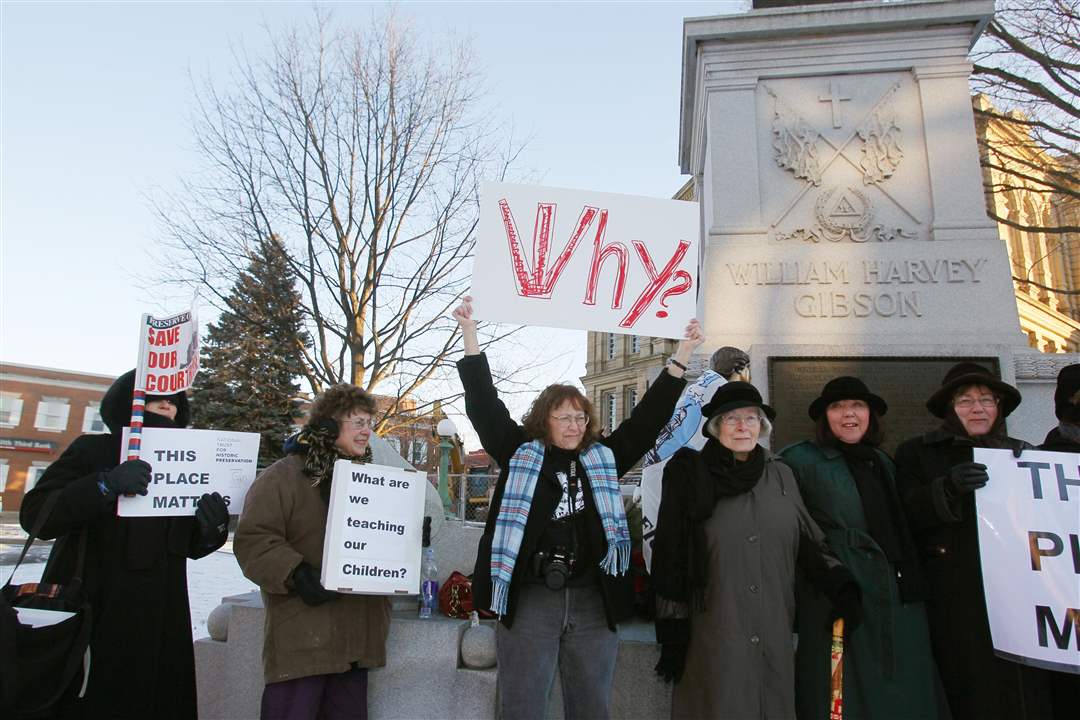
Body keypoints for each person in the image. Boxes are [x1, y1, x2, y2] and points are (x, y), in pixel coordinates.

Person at [453, 295, 701, 720]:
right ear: (544, 420)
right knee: (522, 705)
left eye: (580, 418)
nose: (574, 425)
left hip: (592, 599)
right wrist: (470, 334)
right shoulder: (520, 453)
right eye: (563, 417)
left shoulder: (603, 458)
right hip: (531, 599)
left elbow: (647, 421)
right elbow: (483, 406)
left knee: (591, 706)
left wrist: (681, 357)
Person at [18, 369, 229, 720]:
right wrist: (104, 485)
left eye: (175, 399)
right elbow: (36, 514)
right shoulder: (92, 450)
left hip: (161, 621)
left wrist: (212, 528)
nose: (168, 404)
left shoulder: (190, 463)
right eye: (155, 395)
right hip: (93, 614)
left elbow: (188, 543)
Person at [650, 380, 861, 720]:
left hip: (772, 625)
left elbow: (807, 540)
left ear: (762, 426)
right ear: (715, 427)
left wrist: (839, 582)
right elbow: (671, 551)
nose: (742, 427)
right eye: (731, 419)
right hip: (714, 627)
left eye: (751, 418)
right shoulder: (691, 475)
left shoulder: (780, 474)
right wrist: (672, 628)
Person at [233, 384, 414, 720]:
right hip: (303, 639)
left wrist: (411, 536)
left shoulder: (373, 482)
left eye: (369, 423)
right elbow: (253, 540)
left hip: (355, 642)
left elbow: (381, 543)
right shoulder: (283, 477)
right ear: (329, 425)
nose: (367, 432)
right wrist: (295, 573)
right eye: (358, 422)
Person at [894, 362, 1057, 719]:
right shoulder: (917, 453)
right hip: (957, 599)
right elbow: (904, 515)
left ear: (999, 407)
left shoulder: (1024, 453)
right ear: (950, 409)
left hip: (1020, 597)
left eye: (986, 399)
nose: (977, 408)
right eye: (965, 401)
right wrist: (948, 489)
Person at [780, 376, 948, 720]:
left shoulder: (882, 461)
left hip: (896, 593)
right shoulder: (799, 461)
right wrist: (831, 577)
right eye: (838, 407)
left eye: (857, 406)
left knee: (901, 687)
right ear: (824, 417)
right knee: (842, 693)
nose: (849, 414)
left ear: (871, 414)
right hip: (838, 591)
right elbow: (792, 526)